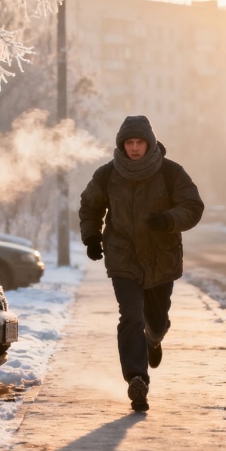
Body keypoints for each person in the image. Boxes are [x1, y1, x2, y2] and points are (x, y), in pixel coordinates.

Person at [78, 115, 204, 412]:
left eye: (139, 142)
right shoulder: (107, 175)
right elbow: (90, 206)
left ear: (149, 143)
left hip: (162, 258)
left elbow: (193, 207)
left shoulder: (171, 173)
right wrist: (92, 237)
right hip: (123, 257)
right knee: (131, 316)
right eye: (129, 143)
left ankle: (154, 338)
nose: (134, 148)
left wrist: (168, 220)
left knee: (156, 321)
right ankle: (137, 379)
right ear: (122, 145)